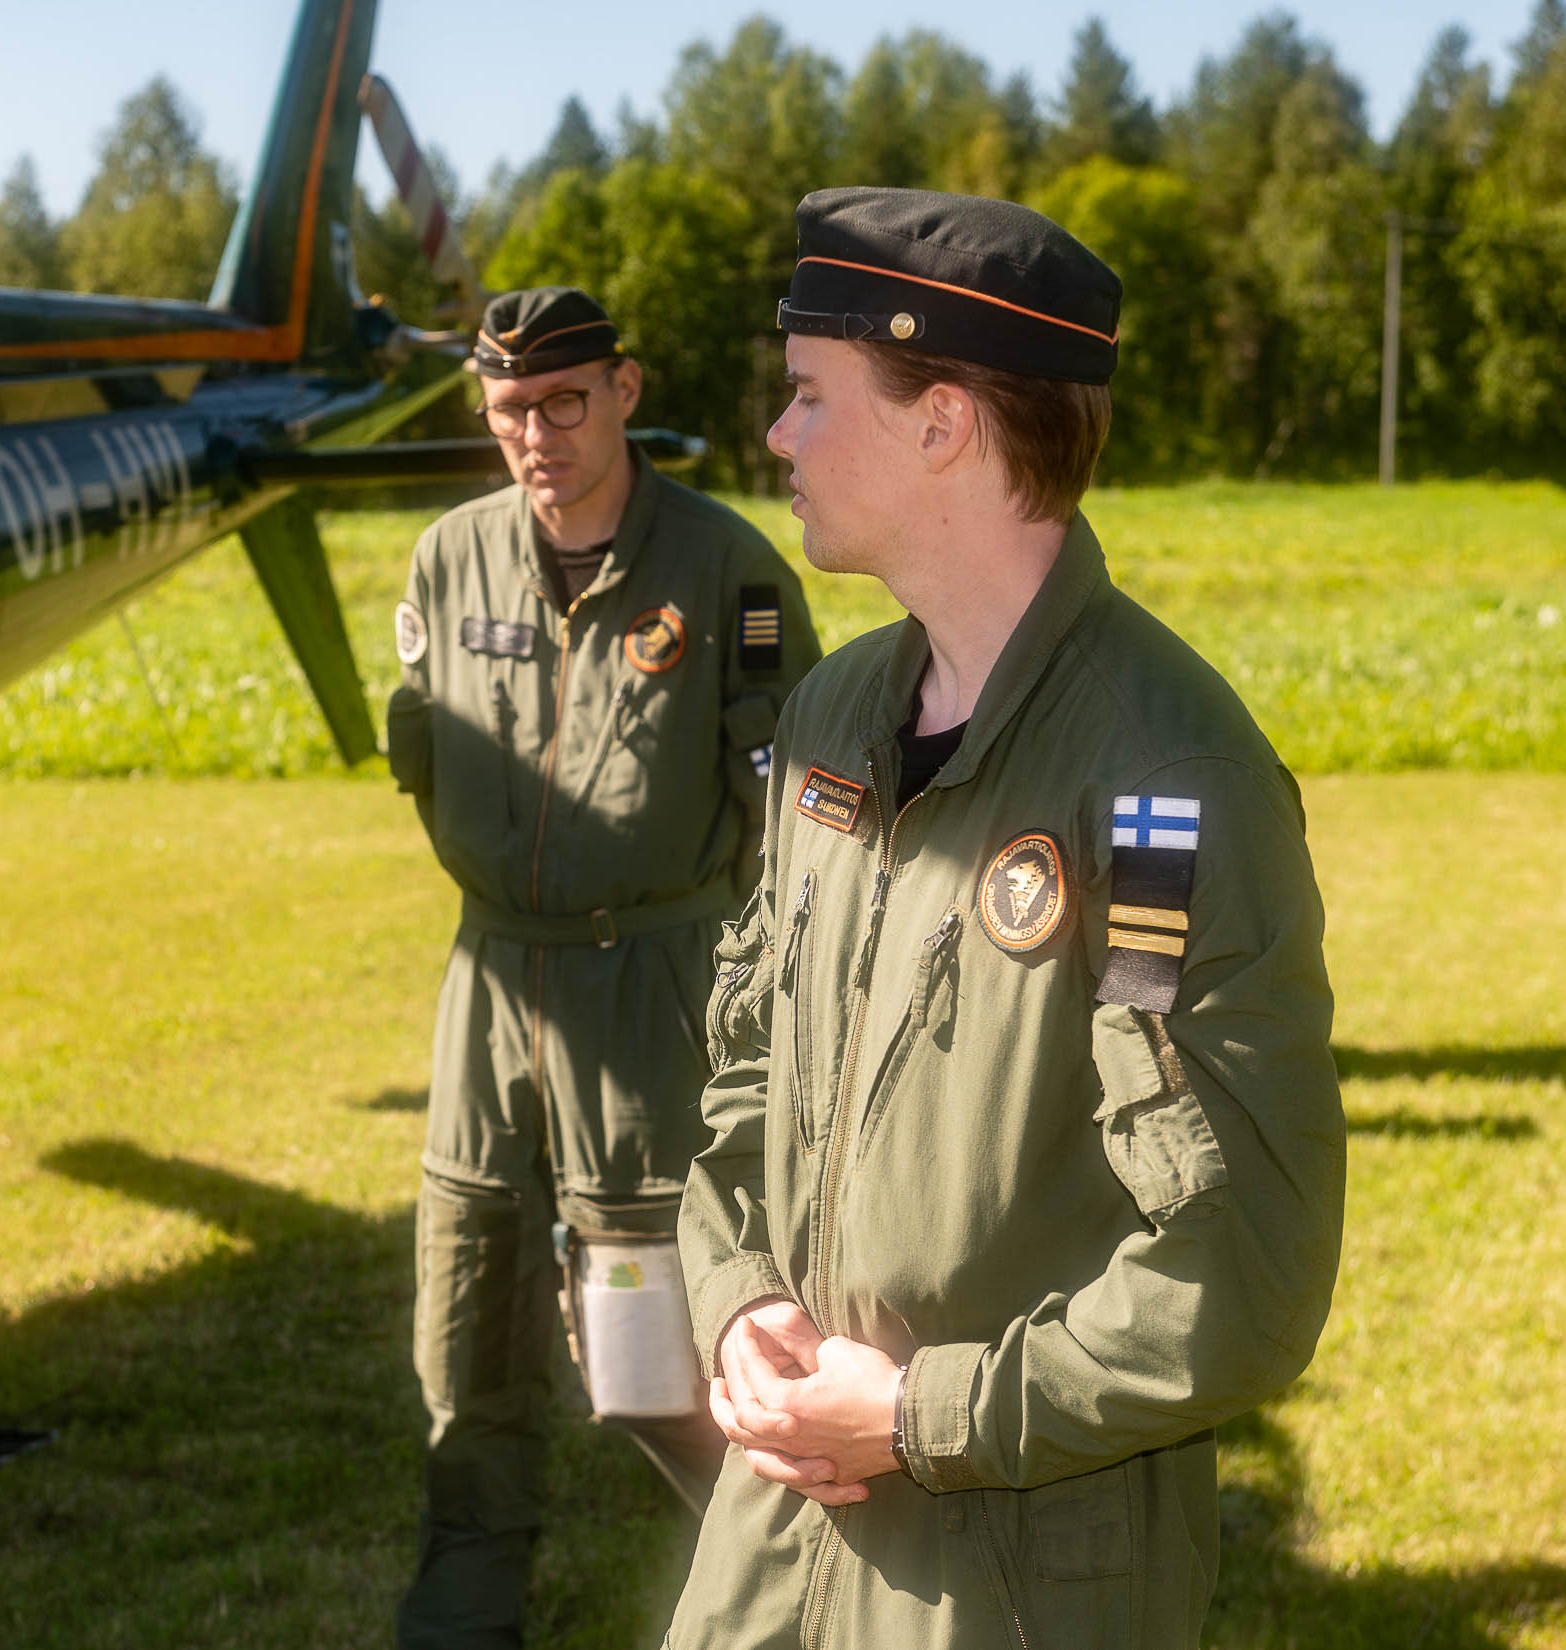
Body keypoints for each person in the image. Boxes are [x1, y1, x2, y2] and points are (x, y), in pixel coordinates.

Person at [666, 189, 1346, 1649]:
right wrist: (736, 1300)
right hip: (774, 1542)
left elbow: (1244, 1266)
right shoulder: (833, 718)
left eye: (808, 395)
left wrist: (925, 1413)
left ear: (943, 425)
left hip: (1015, 1578)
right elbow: (748, 1069)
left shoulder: (1160, 787)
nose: (777, 435)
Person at [383, 285, 820, 1650]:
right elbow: (424, 754)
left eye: (565, 401)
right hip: (490, 992)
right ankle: (463, 1612)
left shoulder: (727, 570)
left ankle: (785, 1602)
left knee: (660, 1358)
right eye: (509, 409)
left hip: (650, 1001)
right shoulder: (448, 561)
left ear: (625, 390)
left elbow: (789, 814)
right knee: (468, 1327)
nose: (538, 434)